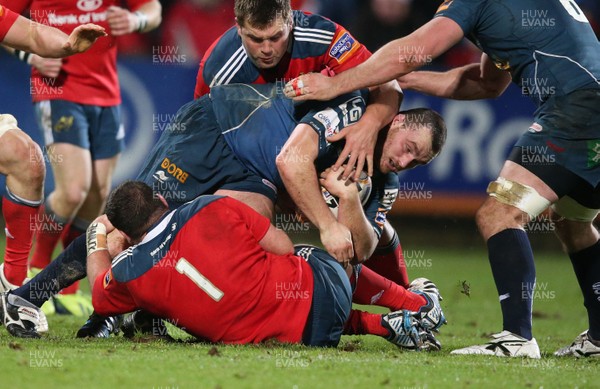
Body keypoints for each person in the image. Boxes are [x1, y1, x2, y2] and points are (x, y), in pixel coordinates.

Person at [0, 84, 446, 340]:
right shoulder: (354, 113)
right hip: (218, 132)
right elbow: (294, 160)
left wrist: (350, 205)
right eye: (408, 148)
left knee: (245, 252)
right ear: (398, 122)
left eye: (418, 162)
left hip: (258, 172)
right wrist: (329, 224)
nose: (405, 162)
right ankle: (30, 297)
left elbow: (365, 247)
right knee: (130, 223)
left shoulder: (383, 181)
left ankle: (145, 312)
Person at [284, 0, 600, 358]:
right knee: (573, 223)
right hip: (591, 102)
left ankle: (518, 338)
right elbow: (485, 83)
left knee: (499, 214)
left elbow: (411, 51)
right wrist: (399, 79)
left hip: (577, 106)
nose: (404, 162)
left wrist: (336, 83)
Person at [194, 0, 411, 284]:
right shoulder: (219, 71)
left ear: (291, 23)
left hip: (323, 144)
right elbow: (210, 137)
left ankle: (407, 297)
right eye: (256, 39)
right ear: (239, 29)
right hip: (256, 163)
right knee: (254, 230)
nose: (267, 49)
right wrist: (285, 192)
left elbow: (389, 86)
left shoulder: (322, 36)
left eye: (276, 37)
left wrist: (368, 128)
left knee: (362, 221)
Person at [91, 181, 439, 349]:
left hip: (304, 337)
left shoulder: (128, 273)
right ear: (163, 201)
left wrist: (98, 236)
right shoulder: (211, 205)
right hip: (321, 291)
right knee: (305, 254)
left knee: (277, 311)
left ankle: (383, 325)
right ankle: (418, 305)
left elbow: (99, 293)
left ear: (125, 232)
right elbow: (283, 246)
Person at [0, 0, 161, 315]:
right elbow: (13, 28)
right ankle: (36, 271)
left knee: (97, 195)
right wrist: (30, 55)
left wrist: (136, 21)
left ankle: (69, 288)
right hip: (57, 91)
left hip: (106, 93)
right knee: (73, 189)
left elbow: (152, 8)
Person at [0, 4, 106, 293]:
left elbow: (32, 33)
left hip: (104, 96)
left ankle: (12, 285)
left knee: (27, 158)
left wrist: (67, 44)